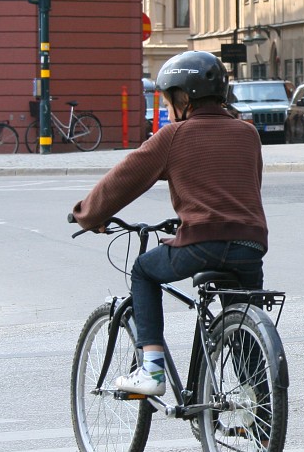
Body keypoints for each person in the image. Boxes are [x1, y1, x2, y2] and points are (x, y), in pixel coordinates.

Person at [71, 51, 268, 396]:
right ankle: (260, 409)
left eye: (167, 100)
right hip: (250, 245)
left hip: (202, 244)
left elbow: (125, 179)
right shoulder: (248, 134)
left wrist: (88, 214)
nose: (167, 107)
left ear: (183, 98)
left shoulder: (174, 135)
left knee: (143, 271)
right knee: (243, 326)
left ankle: (151, 369)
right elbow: (244, 186)